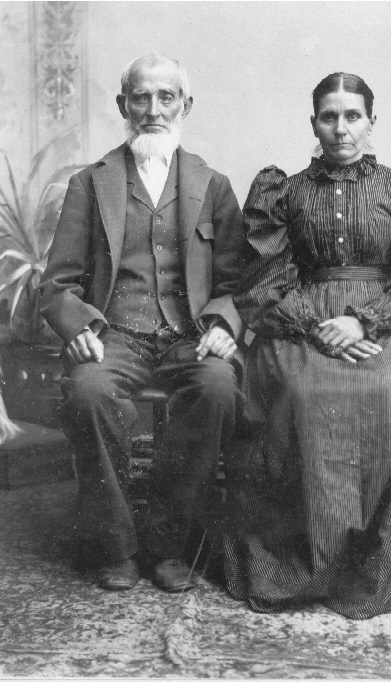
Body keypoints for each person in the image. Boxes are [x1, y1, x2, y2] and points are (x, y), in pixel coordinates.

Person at [223, 72, 391, 619]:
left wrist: (365, 322)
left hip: (389, 320)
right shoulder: (285, 191)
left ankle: (367, 565)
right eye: (329, 117)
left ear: (372, 122)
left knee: (388, 393)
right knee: (303, 394)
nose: (341, 129)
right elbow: (262, 285)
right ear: (314, 123)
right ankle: (302, 562)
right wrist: (315, 324)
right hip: (301, 320)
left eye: (352, 116)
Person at [40, 53, 248, 593]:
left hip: (189, 337)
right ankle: (116, 545)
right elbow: (58, 282)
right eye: (141, 97)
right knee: (88, 392)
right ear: (123, 105)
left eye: (166, 97)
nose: (153, 110)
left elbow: (236, 282)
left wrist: (223, 324)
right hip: (115, 335)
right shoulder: (91, 184)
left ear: (185, 106)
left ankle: (169, 542)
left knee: (218, 388)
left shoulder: (213, 185)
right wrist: (79, 327)